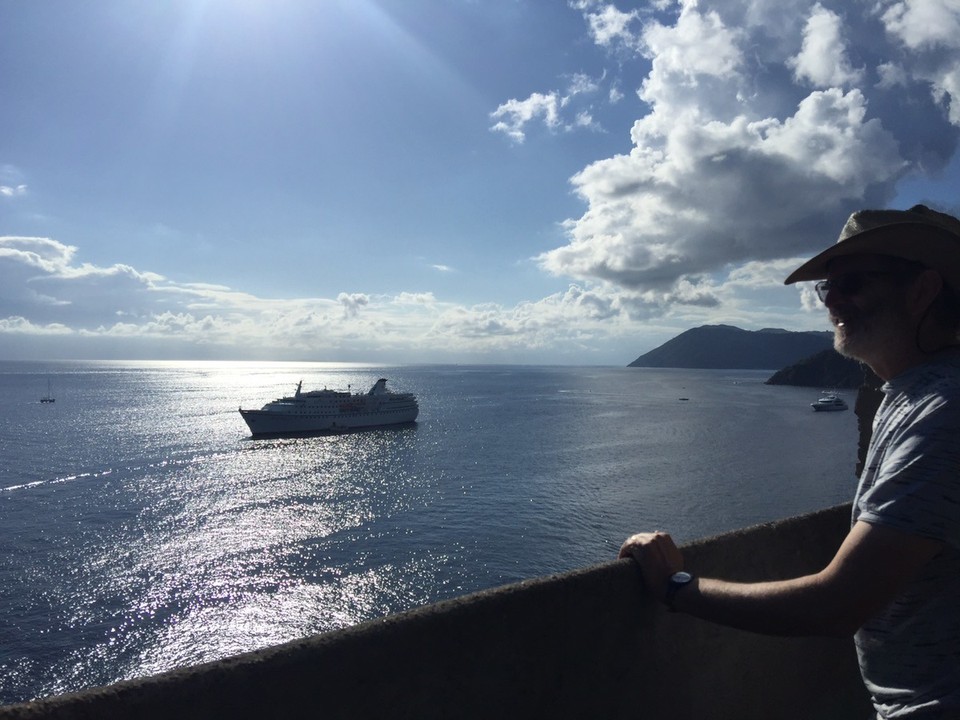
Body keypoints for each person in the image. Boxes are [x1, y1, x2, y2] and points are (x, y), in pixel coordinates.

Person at [619, 205, 960, 719]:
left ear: (923, 290)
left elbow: (839, 603)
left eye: (855, 283)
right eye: (829, 288)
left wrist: (677, 586)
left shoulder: (946, 413)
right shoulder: (910, 395)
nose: (833, 300)